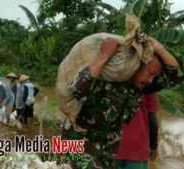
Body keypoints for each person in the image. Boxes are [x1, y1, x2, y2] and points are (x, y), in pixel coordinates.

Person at [61, 37, 176, 168]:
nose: (150, 80)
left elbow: (176, 75)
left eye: (154, 76)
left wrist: (159, 48)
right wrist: (105, 55)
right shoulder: (107, 77)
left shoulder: (136, 89)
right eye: (150, 73)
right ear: (138, 64)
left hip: (107, 155)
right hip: (78, 148)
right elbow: (78, 89)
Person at [115, 52, 184, 169]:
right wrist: (153, 146)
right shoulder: (144, 88)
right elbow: (152, 120)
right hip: (136, 150)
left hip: (106, 151)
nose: (150, 80)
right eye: (150, 73)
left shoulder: (99, 86)